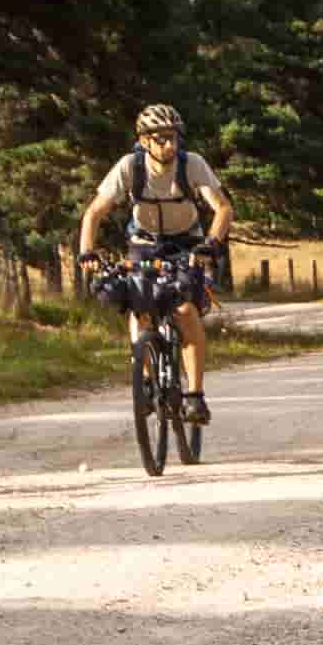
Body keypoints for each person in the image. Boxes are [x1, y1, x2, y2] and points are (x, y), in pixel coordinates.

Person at [75, 100, 232, 412]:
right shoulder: (129, 167)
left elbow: (223, 208)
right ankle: (146, 379)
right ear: (144, 140)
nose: (169, 144)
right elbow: (94, 212)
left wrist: (211, 243)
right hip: (143, 241)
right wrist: (86, 253)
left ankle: (195, 396)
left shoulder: (193, 164)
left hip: (187, 243)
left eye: (173, 137)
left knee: (186, 310)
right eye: (160, 138)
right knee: (139, 305)